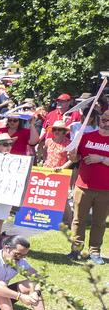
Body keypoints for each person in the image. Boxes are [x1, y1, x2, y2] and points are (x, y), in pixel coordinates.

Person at [66, 109, 109, 264]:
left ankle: (95, 252)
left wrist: (101, 158)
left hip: (105, 189)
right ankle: (75, 249)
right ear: (99, 120)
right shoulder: (86, 137)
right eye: (104, 119)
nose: (106, 123)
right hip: (83, 186)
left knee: (99, 222)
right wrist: (72, 156)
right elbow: (77, 157)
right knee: (78, 220)